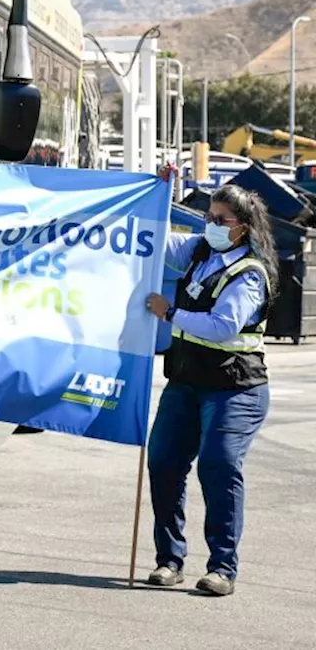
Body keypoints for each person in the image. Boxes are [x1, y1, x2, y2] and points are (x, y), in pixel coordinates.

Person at [143, 181, 276, 596]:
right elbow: (158, 243)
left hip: (235, 388)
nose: (212, 226)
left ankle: (222, 567)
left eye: (222, 221)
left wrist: (170, 314)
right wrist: (156, 191)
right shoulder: (201, 250)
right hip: (186, 381)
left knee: (217, 467)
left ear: (244, 227)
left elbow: (222, 327)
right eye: (209, 217)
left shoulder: (250, 273)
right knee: (163, 463)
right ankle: (169, 561)